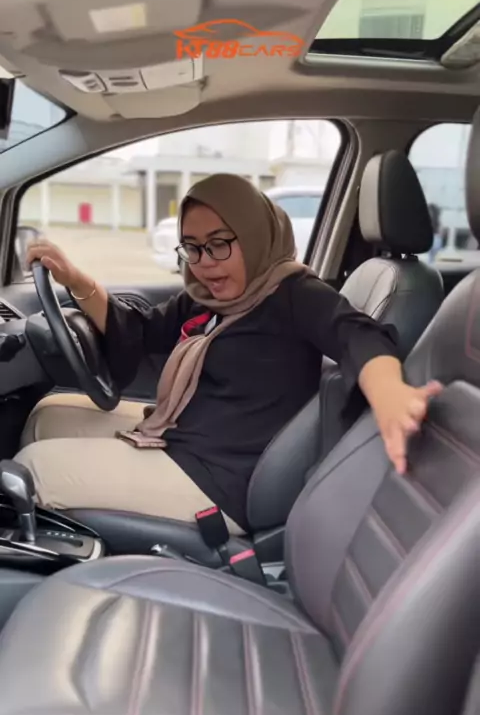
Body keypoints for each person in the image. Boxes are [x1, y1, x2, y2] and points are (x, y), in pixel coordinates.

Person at [19, 173, 442, 533]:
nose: (204, 263)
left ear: (254, 236)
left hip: (222, 477)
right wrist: (76, 281)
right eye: (192, 247)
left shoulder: (296, 294)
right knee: (45, 417)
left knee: (32, 469)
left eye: (219, 243)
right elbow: (142, 332)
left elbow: (358, 336)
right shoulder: (207, 297)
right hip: (186, 440)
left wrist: (389, 393)